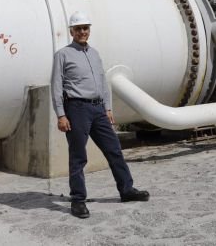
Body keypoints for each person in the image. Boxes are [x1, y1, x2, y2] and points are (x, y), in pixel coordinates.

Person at [51, 11, 149, 219]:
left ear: (89, 30)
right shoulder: (63, 55)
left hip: (98, 110)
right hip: (76, 110)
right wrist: (61, 115)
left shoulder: (94, 53)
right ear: (71, 31)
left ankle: (126, 190)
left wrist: (108, 108)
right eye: (78, 29)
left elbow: (103, 82)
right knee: (78, 156)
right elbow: (57, 87)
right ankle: (78, 200)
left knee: (114, 149)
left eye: (85, 28)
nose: (82, 32)